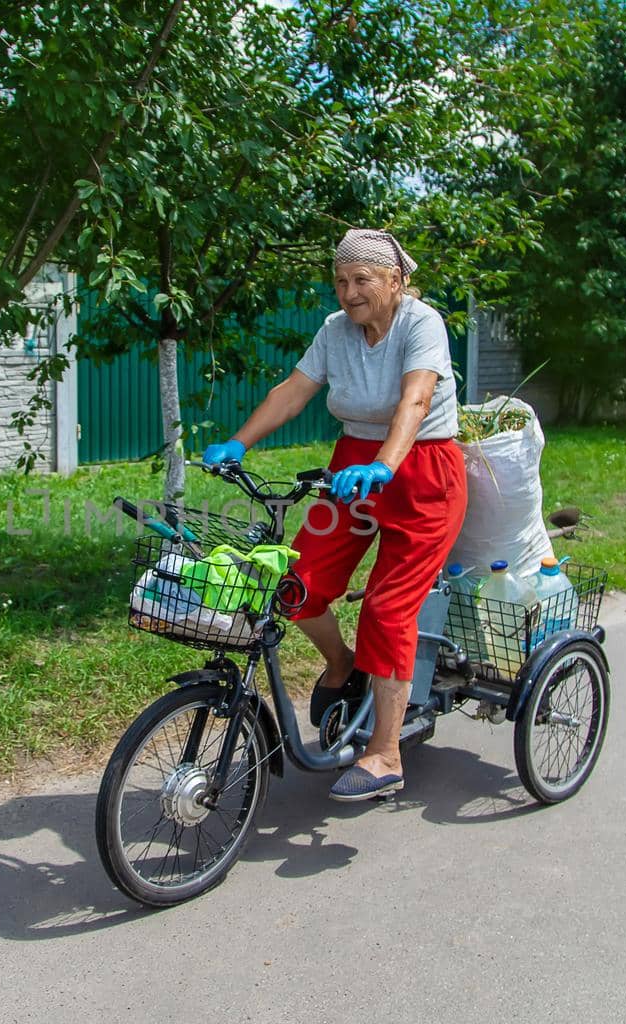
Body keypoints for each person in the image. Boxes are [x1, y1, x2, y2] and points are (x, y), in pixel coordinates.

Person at [201, 228, 467, 802]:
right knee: (297, 583)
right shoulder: (334, 331)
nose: (348, 293)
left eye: (361, 280)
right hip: (353, 467)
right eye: (341, 281)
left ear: (395, 281)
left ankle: (385, 753)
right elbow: (293, 391)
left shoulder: (422, 324)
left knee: (388, 606)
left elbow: (415, 401)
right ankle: (343, 664)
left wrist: (386, 464)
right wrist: (239, 442)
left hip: (420, 471)